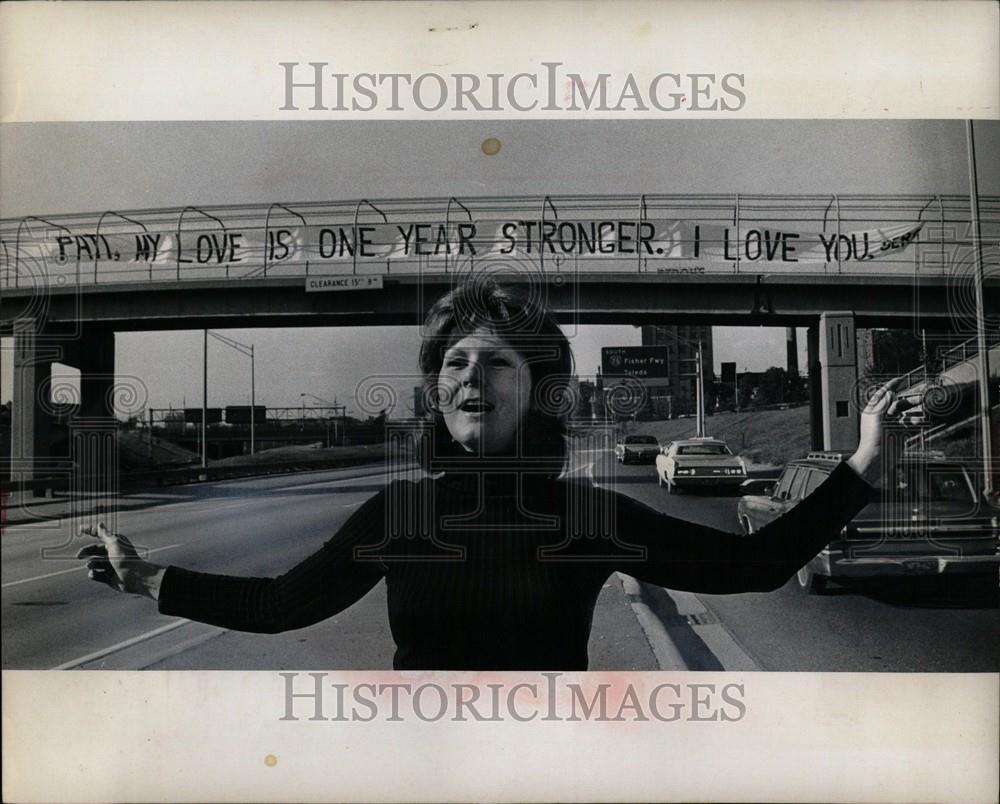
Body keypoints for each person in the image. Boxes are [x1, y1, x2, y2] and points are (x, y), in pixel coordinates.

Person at [79, 279, 904, 670]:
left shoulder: (583, 516)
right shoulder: (399, 514)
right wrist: (151, 578)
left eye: (497, 363)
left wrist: (861, 468)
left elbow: (751, 567)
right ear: (436, 389)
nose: (472, 378)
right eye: (456, 362)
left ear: (536, 391)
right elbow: (283, 603)